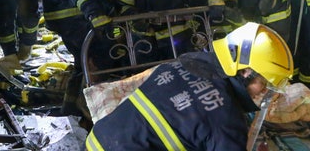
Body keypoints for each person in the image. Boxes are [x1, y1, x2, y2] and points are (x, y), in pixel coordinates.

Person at [85, 22, 294, 150]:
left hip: (96, 140)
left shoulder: (180, 64)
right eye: (265, 83)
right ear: (245, 71)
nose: (266, 91)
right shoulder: (227, 122)